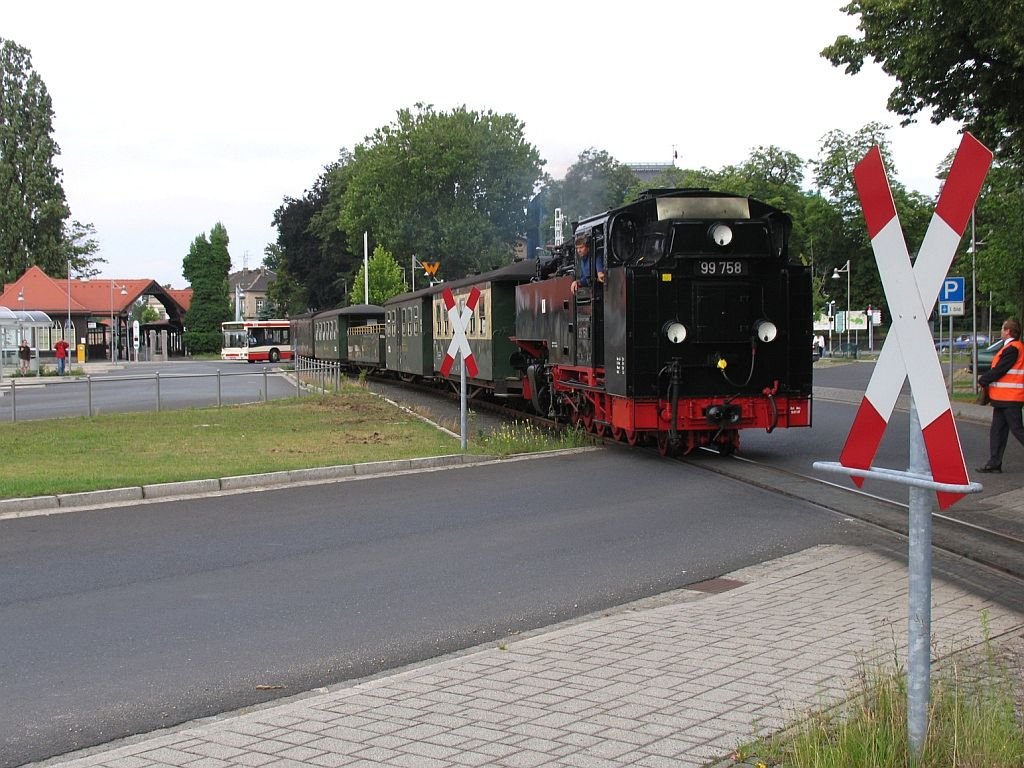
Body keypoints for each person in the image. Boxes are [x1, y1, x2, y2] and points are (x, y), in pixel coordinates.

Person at [976, 318, 1024, 473]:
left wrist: (984, 379)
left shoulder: (1013, 348)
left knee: (1017, 430)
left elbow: (1000, 369)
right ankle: (994, 463)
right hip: (1004, 398)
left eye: (1003, 329)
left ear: (1008, 331)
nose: (1001, 331)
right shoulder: (1012, 347)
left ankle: (994, 462)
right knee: (997, 431)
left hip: (1010, 397)